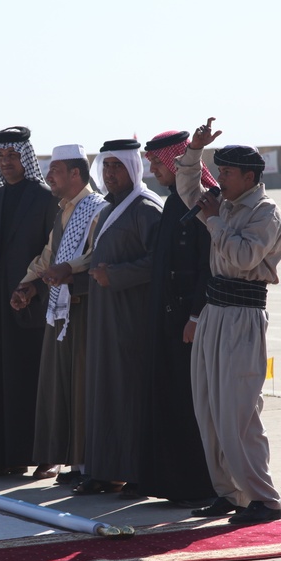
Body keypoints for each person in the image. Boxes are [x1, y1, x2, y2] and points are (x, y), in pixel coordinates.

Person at [176, 117, 281, 525]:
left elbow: (243, 257)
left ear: (249, 176)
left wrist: (213, 220)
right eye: (218, 171)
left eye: (226, 172)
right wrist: (194, 151)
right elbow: (188, 187)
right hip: (214, 313)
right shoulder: (220, 202)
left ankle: (263, 498)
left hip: (243, 316)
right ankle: (229, 493)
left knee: (238, 412)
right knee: (208, 407)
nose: (219, 178)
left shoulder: (265, 212)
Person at [12, 144, 107, 484]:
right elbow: (48, 255)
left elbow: (96, 254)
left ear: (76, 174)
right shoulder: (64, 210)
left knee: (82, 386)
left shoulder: (97, 209)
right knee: (62, 387)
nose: (49, 176)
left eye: (56, 170)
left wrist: (67, 268)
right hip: (60, 309)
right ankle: (71, 462)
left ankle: (86, 464)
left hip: (84, 311)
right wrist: (26, 285)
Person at [0, 126, 58, 476]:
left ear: (26, 157)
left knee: (33, 381)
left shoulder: (46, 198)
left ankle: (45, 455)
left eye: (12, 155)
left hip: (32, 307)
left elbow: (54, 252)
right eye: (1, 156)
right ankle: (6, 455)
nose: (6, 162)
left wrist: (34, 289)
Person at [75, 139, 162, 496]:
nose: (110, 174)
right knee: (103, 391)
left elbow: (159, 262)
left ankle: (135, 472)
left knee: (127, 393)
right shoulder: (109, 208)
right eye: (105, 166)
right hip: (103, 317)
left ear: (133, 168)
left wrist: (118, 275)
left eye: (117, 166)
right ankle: (104, 471)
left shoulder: (146, 209)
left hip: (131, 318)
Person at [137, 130, 217, 505]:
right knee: (168, 399)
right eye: (150, 163)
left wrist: (196, 316)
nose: (152, 170)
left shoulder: (203, 202)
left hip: (190, 323)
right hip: (166, 321)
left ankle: (197, 485)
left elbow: (208, 267)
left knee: (192, 405)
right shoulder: (172, 204)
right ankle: (172, 483)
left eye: (157, 162)